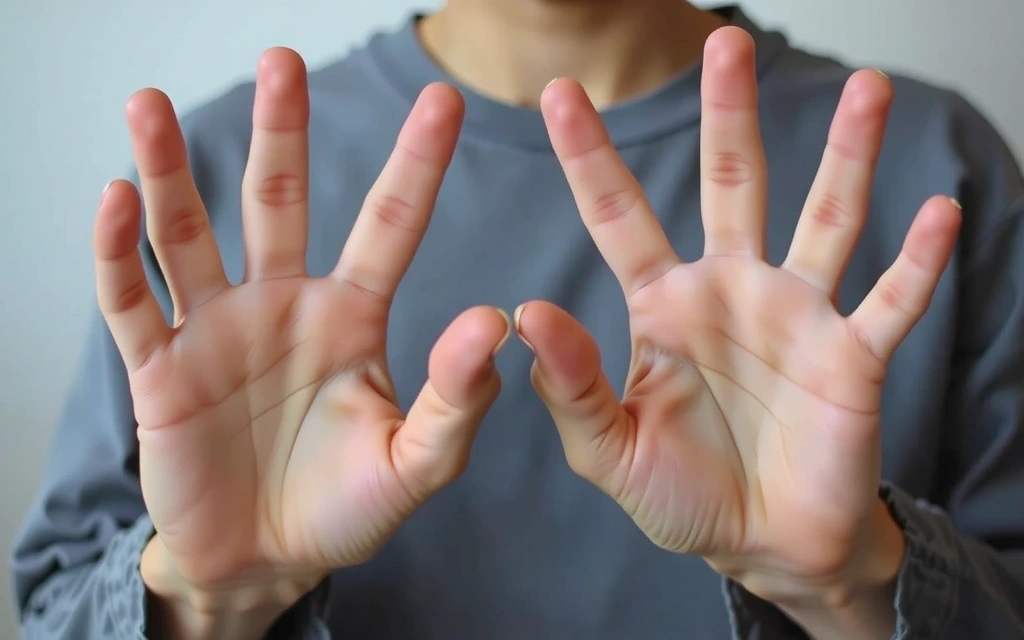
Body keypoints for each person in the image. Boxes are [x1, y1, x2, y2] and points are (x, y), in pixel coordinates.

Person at [11, 0, 1024, 637]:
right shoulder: (215, 185)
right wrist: (202, 597)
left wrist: (852, 583)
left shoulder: (931, 165)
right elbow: (57, 603)